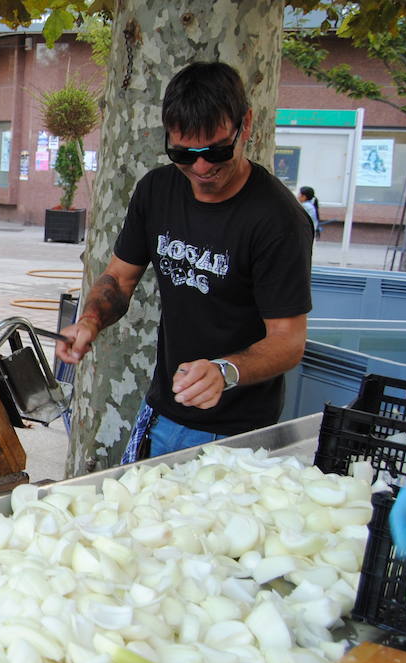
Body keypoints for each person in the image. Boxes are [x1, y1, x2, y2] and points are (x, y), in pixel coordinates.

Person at [56, 61, 312, 461]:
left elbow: (288, 340)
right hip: (162, 411)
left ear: (246, 125)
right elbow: (120, 279)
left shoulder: (278, 219)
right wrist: (90, 320)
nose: (202, 167)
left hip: (238, 431)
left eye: (216, 151)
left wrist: (225, 371)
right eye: (183, 153)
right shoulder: (156, 190)